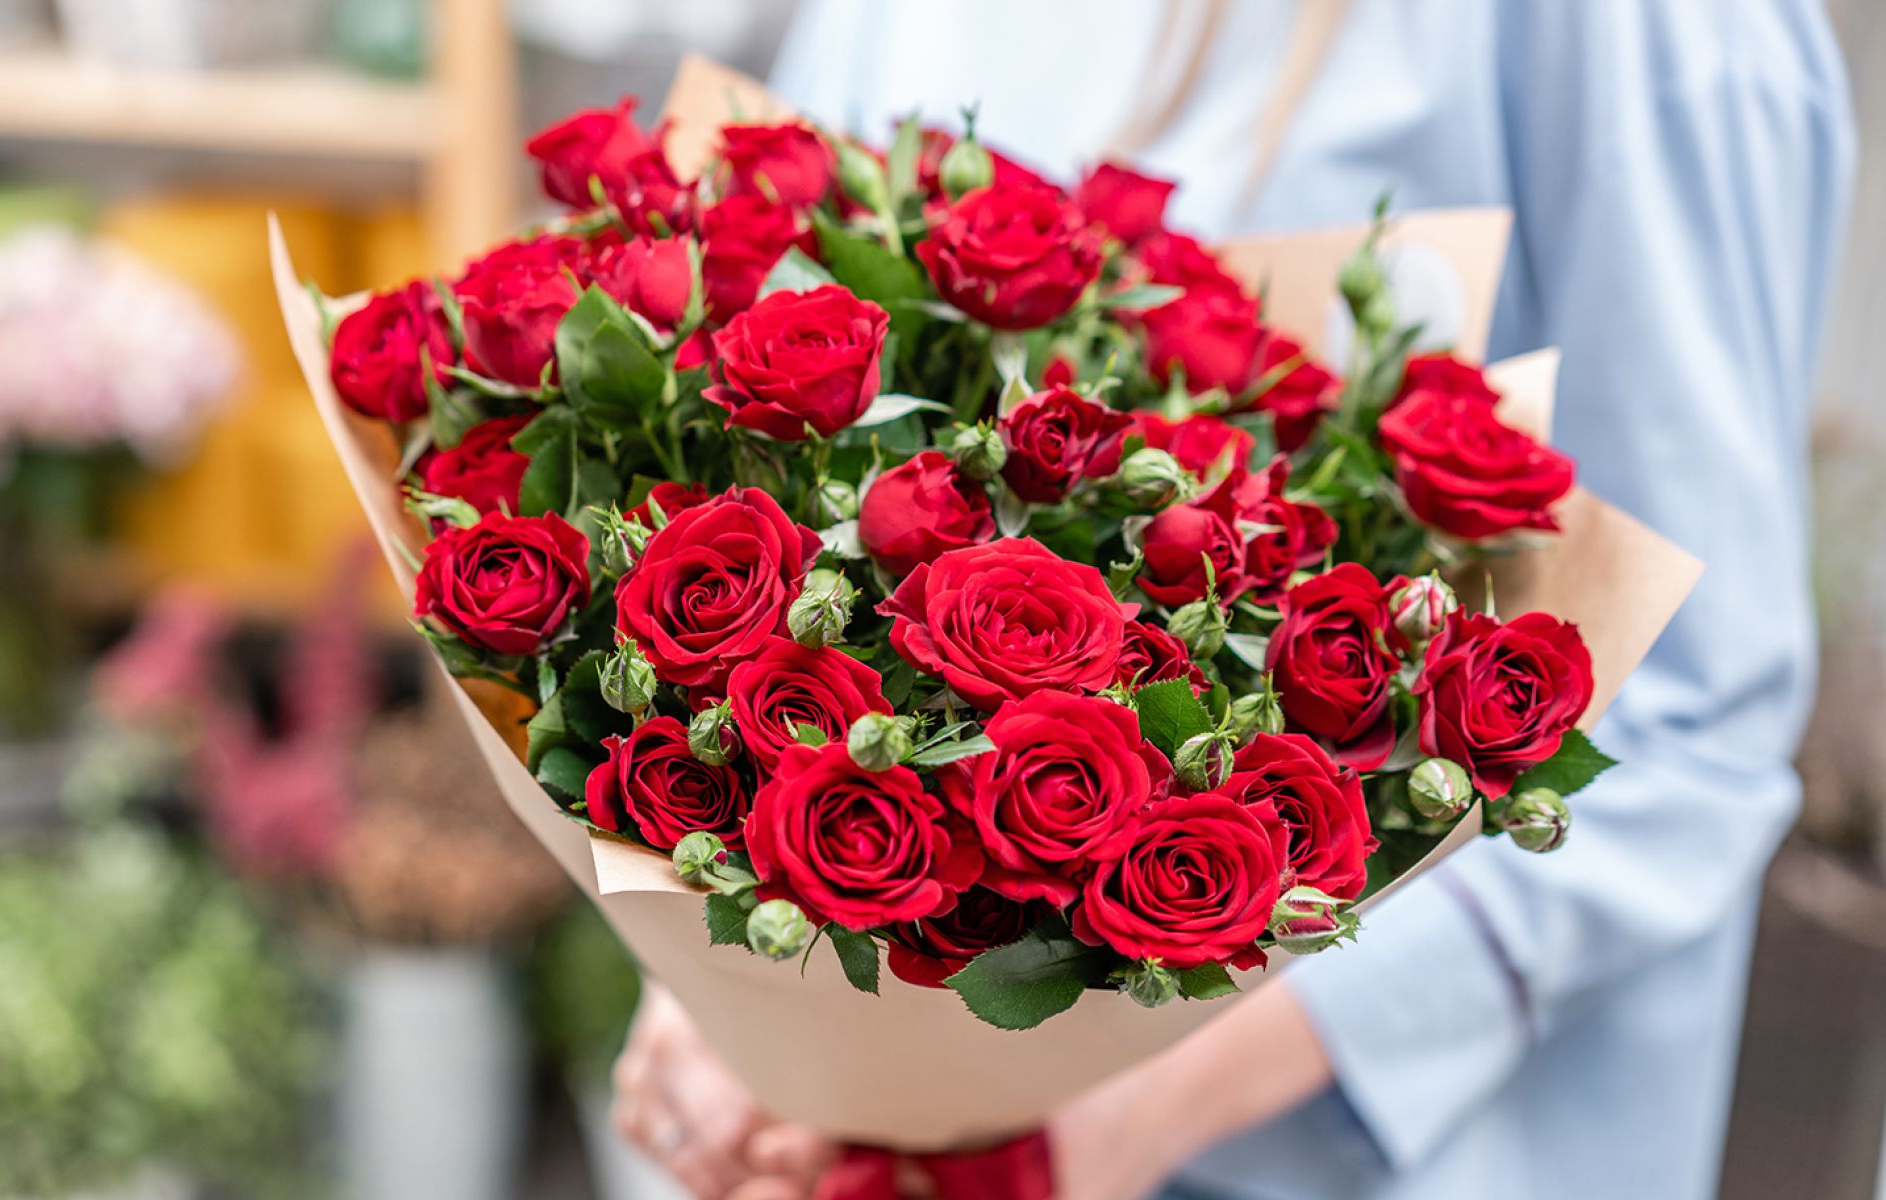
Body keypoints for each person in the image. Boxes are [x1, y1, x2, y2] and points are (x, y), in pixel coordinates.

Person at [610, 2, 1859, 1197]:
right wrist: (738, 1003)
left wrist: (1120, 1110)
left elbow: (1688, 726)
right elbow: (763, 456)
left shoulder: (1650, 26)